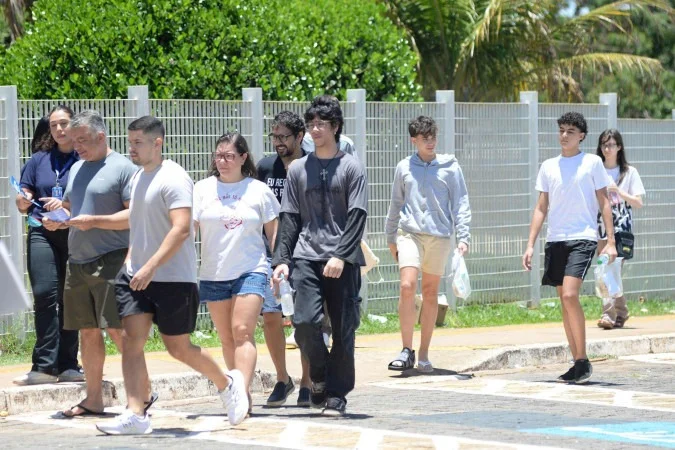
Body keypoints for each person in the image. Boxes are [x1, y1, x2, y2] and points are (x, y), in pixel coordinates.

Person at [95, 117, 248, 435]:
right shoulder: (138, 176)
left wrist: (151, 266)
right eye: (130, 141)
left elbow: (181, 229)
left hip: (173, 278)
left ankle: (226, 383)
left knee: (178, 348)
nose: (131, 148)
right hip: (136, 276)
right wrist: (121, 249)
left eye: (138, 142)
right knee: (131, 341)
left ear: (157, 143)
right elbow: (137, 220)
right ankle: (136, 413)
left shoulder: (175, 178)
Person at [42, 110, 150, 417]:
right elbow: (73, 208)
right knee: (87, 332)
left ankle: (142, 396)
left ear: (101, 137)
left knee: (118, 330)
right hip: (78, 260)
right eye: (74, 140)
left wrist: (95, 221)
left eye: (82, 140)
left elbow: (133, 215)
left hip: (111, 259)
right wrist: (59, 219)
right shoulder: (77, 167)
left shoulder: (123, 168)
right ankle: (93, 399)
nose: (76, 146)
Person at [272, 95, 368, 416]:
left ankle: (337, 394)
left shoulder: (351, 167)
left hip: (343, 261)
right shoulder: (298, 169)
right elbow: (289, 217)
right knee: (303, 323)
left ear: (335, 127)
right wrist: (281, 260)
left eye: (321, 124)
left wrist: (341, 255)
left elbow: (357, 215)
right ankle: (321, 374)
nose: (315, 129)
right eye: (311, 123)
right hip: (306, 257)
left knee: (343, 329)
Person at [522, 112, 617, 384]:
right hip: (556, 240)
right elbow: (541, 207)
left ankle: (583, 359)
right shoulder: (548, 166)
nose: (564, 135)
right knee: (564, 302)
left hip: (583, 238)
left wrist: (610, 241)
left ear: (581, 136)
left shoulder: (592, 162)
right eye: (561, 130)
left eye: (570, 131)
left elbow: (604, 202)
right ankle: (577, 362)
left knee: (570, 295)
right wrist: (530, 245)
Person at [193, 132, 278, 416]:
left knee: (242, 331)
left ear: (243, 157)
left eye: (229, 156)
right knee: (227, 337)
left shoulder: (258, 190)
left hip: (251, 269)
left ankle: (240, 393)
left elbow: (274, 232)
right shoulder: (202, 189)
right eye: (219, 156)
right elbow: (189, 228)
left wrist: (279, 264)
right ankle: (240, 395)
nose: (223, 161)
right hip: (214, 272)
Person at [385, 116, 471, 373]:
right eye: (425, 138)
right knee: (407, 285)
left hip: (439, 236)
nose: (431, 142)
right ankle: (406, 349)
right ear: (414, 140)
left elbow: (461, 202)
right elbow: (396, 203)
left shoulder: (450, 167)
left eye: (433, 137)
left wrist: (463, 236)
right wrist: (390, 237)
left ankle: (423, 354)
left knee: (431, 292)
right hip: (409, 233)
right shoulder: (404, 167)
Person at [13, 106, 83, 385]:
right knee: (44, 294)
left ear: (74, 124)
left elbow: (96, 197)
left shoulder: (85, 158)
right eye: (54, 125)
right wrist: (23, 199)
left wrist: (66, 207)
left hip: (75, 233)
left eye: (64, 123)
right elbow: (24, 195)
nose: (59, 129)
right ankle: (43, 366)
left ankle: (68, 365)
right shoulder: (38, 160)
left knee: (70, 298)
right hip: (42, 231)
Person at [257, 111, 311, 407]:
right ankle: (282, 378)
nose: (278, 142)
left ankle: (308, 381)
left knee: (304, 320)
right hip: (270, 253)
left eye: (284, 137)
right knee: (271, 316)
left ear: (300, 136)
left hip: (304, 252)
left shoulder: (311, 166)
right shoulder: (265, 167)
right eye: (274, 136)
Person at [595, 129, 645, 330]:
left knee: (611, 268)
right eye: (604, 145)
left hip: (621, 228)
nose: (607, 149)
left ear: (619, 147)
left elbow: (638, 202)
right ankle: (621, 311)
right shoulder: (596, 170)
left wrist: (619, 192)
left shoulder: (629, 172)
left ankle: (608, 314)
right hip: (600, 226)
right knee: (603, 269)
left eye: (611, 145)